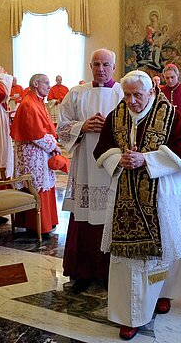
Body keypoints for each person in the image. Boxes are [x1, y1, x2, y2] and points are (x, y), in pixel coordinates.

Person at [94, 70, 181, 340]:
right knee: (129, 261)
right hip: (126, 197)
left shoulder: (170, 115)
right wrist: (118, 158)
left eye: (136, 95)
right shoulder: (116, 115)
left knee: (167, 247)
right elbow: (103, 146)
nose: (130, 101)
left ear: (151, 92)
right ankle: (131, 314)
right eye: (127, 95)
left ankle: (164, 293)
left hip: (162, 193)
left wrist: (148, 160)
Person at [57, 48, 124, 293]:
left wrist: (111, 128)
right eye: (96, 64)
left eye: (106, 64)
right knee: (84, 218)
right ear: (90, 66)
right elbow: (61, 128)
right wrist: (82, 126)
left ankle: (109, 272)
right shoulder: (76, 93)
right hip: (84, 165)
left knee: (109, 217)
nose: (101, 69)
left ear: (114, 67)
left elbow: (134, 127)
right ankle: (83, 271)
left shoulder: (122, 93)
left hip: (111, 168)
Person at [10, 73, 61, 236]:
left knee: (44, 183)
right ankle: (36, 226)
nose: (49, 86)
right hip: (33, 154)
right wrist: (54, 146)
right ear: (36, 84)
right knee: (36, 185)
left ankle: (46, 222)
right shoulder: (29, 103)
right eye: (46, 83)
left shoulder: (37, 101)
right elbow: (36, 134)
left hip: (40, 152)